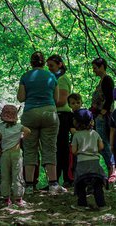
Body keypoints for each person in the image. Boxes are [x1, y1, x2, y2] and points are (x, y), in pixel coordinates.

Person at [17, 51, 64, 194]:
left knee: (30, 149)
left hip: (30, 113)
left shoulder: (25, 76)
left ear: (31, 63)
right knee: (50, 148)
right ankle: (53, 185)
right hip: (49, 113)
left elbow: (20, 98)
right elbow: (56, 99)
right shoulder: (52, 76)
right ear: (44, 63)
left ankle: (30, 186)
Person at [70, 109, 110, 211]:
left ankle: (82, 205)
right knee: (97, 185)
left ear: (76, 122)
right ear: (91, 121)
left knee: (80, 185)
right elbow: (101, 147)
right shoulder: (95, 133)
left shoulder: (76, 135)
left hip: (81, 164)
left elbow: (74, 151)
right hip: (94, 163)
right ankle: (102, 205)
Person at [0, 104, 31, 207]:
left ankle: (6, 198)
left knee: (5, 176)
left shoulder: (1, 127)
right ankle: (18, 198)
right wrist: (22, 137)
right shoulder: (19, 127)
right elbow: (28, 131)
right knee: (17, 175)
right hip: (16, 153)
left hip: (5, 154)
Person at [47, 54, 73, 187]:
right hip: (56, 115)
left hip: (63, 116)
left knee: (62, 148)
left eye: (51, 65)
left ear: (60, 65)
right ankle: (54, 179)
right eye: (48, 66)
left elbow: (62, 100)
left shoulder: (62, 79)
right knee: (55, 148)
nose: (49, 68)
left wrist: (45, 102)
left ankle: (66, 179)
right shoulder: (53, 78)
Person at [90, 57, 116, 182]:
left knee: (104, 142)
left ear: (101, 67)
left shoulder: (107, 79)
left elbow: (110, 96)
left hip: (103, 117)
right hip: (98, 116)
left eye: (95, 68)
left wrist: (103, 110)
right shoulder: (101, 81)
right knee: (101, 143)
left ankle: (113, 168)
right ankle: (110, 167)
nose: (93, 71)